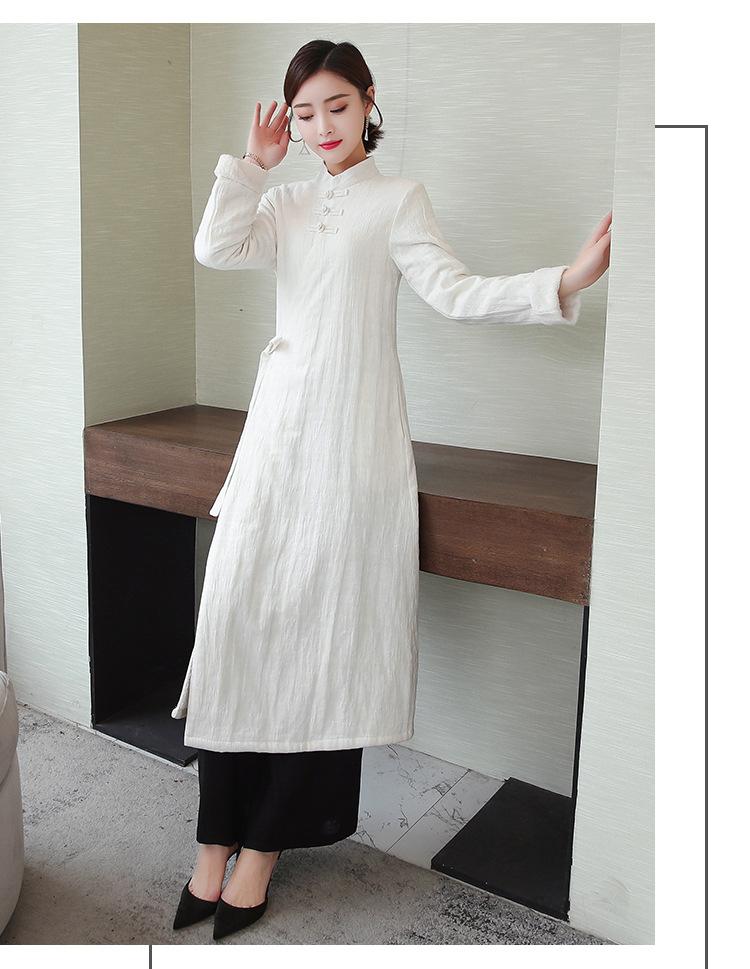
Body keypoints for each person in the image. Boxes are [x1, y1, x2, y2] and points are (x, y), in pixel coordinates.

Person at [171, 39, 611, 941]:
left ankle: (261, 849)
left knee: (321, 643)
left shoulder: (398, 198)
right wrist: (248, 168)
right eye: (304, 113)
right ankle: (213, 839)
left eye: (336, 106)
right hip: (274, 441)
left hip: (353, 446)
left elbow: (454, 292)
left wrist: (561, 282)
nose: (320, 126)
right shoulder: (283, 201)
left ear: (369, 102)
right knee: (235, 626)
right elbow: (215, 247)